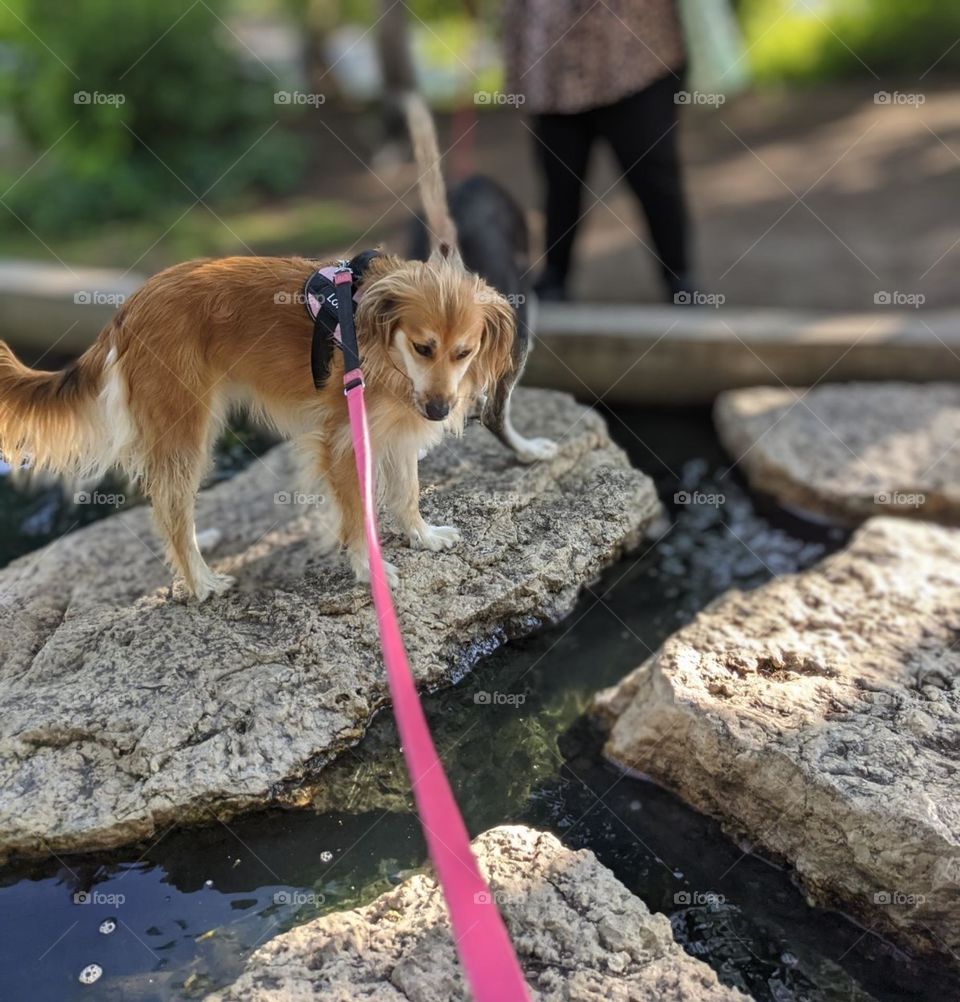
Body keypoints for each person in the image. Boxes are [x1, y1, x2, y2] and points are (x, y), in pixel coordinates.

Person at [503, 0, 694, 302]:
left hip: (634, 55)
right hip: (552, 67)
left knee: (655, 174)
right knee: (559, 180)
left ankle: (680, 275)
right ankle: (554, 276)